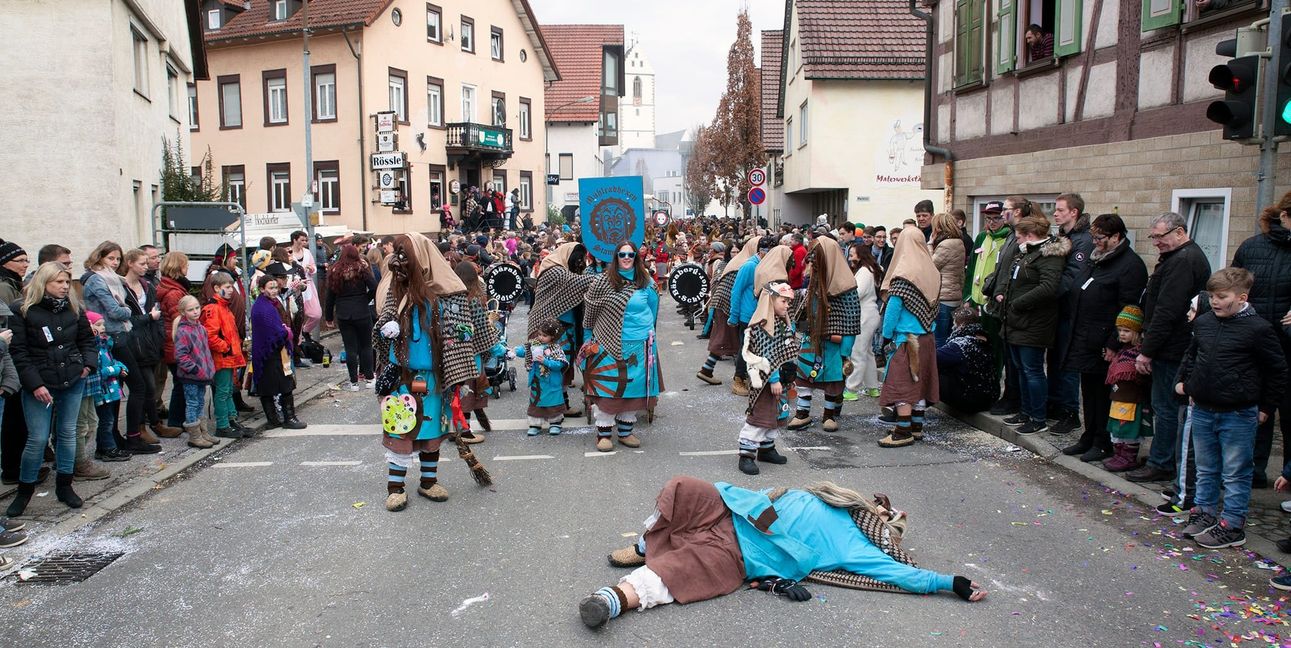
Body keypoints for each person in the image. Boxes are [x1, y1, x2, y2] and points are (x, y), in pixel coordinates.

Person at [576, 476, 987, 629]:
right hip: (732, 508)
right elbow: (768, 497)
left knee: (682, 570)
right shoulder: (826, 495)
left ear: (884, 527)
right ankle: (645, 545)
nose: (879, 508)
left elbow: (900, 574)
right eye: (881, 505)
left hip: (740, 552)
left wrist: (949, 582)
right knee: (682, 487)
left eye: (886, 515)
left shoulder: (857, 544)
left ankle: (611, 600)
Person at [372, 233, 499, 511]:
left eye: (407, 256)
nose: (401, 262)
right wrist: (387, 327)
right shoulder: (395, 290)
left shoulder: (448, 293)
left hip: (435, 378)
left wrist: (462, 346)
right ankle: (396, 488)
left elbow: (464, 331)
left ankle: (428, 482)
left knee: (431, 433)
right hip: (402, 378)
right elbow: (384, 320)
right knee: (400, 431)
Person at [1175, 268, 1287, 549]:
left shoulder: (1259, 329)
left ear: (1241, 297)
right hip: (1202, 408)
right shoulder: (1204, 323)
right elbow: (1191, 356)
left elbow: (1277, 370)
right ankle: (1204, 513)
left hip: (1238, 412)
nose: (1214, 301)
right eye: (1212, 296)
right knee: (1205, 467)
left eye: (1222, 296)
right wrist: (1185, 383)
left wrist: (1266, 407)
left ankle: (1233, 525)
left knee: (1236, 472)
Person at [1126, 213, 1213, 484]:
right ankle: (1163, 457)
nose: (1155, 242)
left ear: (1179, 232)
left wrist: (1147, 350)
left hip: (1173, 347)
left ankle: (1161, 462)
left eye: (1160, 236)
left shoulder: (1184, 261)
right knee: (1165, 407)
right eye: (1153, 236)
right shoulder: (1179, 257)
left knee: (1166, 407)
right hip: (1169, 344)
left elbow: (1167, 310)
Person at [6, 262, 98, 516]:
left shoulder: (74, 308)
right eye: (59, 282)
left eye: (67, 282)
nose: (65, 286)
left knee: (68, 434)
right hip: (40, 384)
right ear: (44, 282)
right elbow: (19, 353)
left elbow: (87, 341)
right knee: (36, 439)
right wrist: (34, 384)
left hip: (72, 379)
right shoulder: (22, 310)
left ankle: (65, 486)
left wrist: (87, 365)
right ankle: (24, 492)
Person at [1060, 214, 1148, 462]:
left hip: (1105, 340)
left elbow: (1128, 309)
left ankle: (1103, 441)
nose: (1095, 242)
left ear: (1116, 237)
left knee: (1103, 393)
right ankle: (1089, 435)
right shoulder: (1097, 259)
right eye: (1093, 237)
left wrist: (1113, 343)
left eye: (1100, 238)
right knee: (1088, 391)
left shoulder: (1130, 265)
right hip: (1085, 335)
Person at [1231, 197, 1291, 489]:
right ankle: (1251, 473)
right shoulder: (1253, 246)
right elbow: (1232, 285)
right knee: (1256, 412)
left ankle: (1289, 480)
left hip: (1289, 346)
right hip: (1253, 342)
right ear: (1284, 216)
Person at [582, 241, 663, 452]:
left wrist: (646, 334)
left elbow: (653, 313)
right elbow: (589, 316)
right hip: (608, 342)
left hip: (641, 345)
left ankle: (626, 432)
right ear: (616, 257)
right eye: (622, 254)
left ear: (637, 257)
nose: (626, 258)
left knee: (634, 390)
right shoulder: (602, 282)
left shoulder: (647, 283)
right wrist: (587, 339)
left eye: (631, 254)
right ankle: (604, 434)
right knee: (609, 390)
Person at [998, 216, 1069, 435]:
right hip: (1017, 321)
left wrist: (1018, 303)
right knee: (1021, 369)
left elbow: (1048, 287)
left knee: (1033, 370)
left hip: (1033, 323)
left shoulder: (1049, 256)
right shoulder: (1028, 252)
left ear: (1030, 235)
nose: (1016, 239)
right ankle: (1026, 411)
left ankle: (1038, 417)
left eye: (1019, 235)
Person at [787, 237, 860, 433]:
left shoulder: (846, 287)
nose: (813, 262)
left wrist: (846, 351)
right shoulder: (814, 280)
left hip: (833, 344)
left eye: (816, 258)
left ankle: (829, 415)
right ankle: (802, 413)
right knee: (803, 378)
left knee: (832, 380)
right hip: (811, 338)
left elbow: (851, 322)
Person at [877, 225, 941, 448]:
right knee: (920, 383)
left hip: (906, 340)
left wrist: (885, 337)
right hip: (928, 338)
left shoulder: (903, 275)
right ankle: (916, 425)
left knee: (902, 384)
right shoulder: (933, 271)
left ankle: (902, 430)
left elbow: (892, 311)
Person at [737, 280, 798, 475]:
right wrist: (773, 379)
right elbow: (766, 355)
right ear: (770, 300)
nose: (787, 306)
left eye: (788, 302)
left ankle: (766, 448)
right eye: (783, 301)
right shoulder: (762, 326)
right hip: (764, 381)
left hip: (779, 378)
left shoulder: (779, 322)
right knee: (760, 414)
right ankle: (746, 454)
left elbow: (784, 349)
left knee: (774, 413)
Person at [527, 242, 594, 415]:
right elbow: (579, 281)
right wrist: (606, 276)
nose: (579, 263)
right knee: (549, 368)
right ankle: (547, 408)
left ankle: (562, 406)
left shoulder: (563, 270)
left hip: (565, 328)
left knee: (562, 367)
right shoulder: (555, 270)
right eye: (577, 259)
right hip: (548, 329)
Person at [1047, 193, 1093, 435]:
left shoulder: (1083, 240)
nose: (1055, 213)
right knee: (1053, 360)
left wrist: (1047, 292)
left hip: (1071, 310)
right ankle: (1054, 404)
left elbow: (1073, 275)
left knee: (1067, 362)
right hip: (1058, 310)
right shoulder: (1063, 237)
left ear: (1073, 212)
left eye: (1060, 209)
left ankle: (1070, 412)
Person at [696, 237, 759, 386]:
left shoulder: (739, 261)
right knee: (727, 339)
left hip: (723, 303)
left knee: (726, 339)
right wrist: (735, 313)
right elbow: (735, 290)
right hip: (727, 305)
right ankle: (737, 376)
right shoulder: (745, 264)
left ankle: (708, 369)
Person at [250, 275, 305, 431]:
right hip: (269, 352)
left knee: (273, 385)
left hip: (271, 351)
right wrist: (286, 332)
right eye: (271, 288)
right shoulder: (263, 307)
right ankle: (287, 418)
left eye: (276, 287)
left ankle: (276, 419)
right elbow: (274, 331)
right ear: (262, 289)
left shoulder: (269, 303)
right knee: (283, 384)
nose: (274, 291)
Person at [1100, 306, 1152, 472]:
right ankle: (1119, 454)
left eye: (1127, 331)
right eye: (1120, 330)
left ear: (1136, 332)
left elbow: (1142, 377)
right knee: (1117, 428)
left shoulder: (1138, 353)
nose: (1122, 334)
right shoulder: (1122, 351)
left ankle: (1128, 457)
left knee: (1128, 429)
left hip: (1131, 399)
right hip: (1118, 396)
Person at [202, 272, 251, 440]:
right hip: (221, 358)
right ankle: (223, 424)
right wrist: (226, 348)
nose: (231, 290)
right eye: (227, 287)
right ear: (216, 288)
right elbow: (210, 335)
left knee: (228, 390)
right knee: (223, 391)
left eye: (231, 287)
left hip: (228, 357)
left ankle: (231, 420)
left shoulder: (223, 307)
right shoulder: (213, 309)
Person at [727, 236, 778, 396]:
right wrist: (734, 316)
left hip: (760, 314)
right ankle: (738, 379)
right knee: (746, 348)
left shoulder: (765, 266)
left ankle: (751, 378)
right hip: (747, 316)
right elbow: (736, 291)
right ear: (761, 252)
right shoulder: (749, 266)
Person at [325, 245, 378, 391]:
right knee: (366, 346)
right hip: (361, 311)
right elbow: (374, 287)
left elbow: (329, 297)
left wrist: (328, 317)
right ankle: (369, 378)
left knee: (350, 348)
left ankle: (353, 382)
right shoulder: (361, 268)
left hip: (343, 313)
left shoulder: (334, 271)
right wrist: (365, 299)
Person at [84, 311, 131, 466]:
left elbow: (111, 361)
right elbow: (99, 371)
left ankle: (102, 447)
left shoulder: (104, 345)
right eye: (98, 324)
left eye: (103, 324)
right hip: (101, 390)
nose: (102, 327)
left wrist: (120, 365)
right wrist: (116, 370)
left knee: (108, 419)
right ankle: (108, 448)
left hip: (110, 389)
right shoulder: (93, 348)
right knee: (107, 420)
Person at [171, 295, 218, 448]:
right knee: (192, 403)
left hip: (202, 374)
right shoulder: (183, 331)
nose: (195, 312)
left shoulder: (200, 328)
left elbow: (205, 351)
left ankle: (203, 432)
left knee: (200, 403)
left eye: (197, 308)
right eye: (191, 310)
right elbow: (181, 355)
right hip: (191, 376)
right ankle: (194, 435)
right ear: (183, 312)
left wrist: (208, 368)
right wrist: (196, 369)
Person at [936, 306, 998, 413]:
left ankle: (913, 411)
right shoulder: (984, 339)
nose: (952, 327)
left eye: (955, 323)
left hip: (969, 400)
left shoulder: (960, 345)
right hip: (989, 397)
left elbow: (933, 359)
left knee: (929, 374)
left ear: (962, 325)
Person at [156, 251, 193, 430]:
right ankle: (176, 421)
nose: (188, 268)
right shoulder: (174, 293)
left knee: (181, 383)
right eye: (185, 264)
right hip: (175, 344)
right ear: (178, 267)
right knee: (181, 384)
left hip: (173, 343)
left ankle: (178, 420)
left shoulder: (174, 288)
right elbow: (179, 320)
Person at [515, 319, 568, 436]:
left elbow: (560, 364)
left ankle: (555, 423)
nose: (541, 337)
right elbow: (523, 350)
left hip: (551, 381)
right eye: (539, 334)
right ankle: (535, 424)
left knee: (553, 401)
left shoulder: (556, 348)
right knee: (536, 400)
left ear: (553, 337)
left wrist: (546, 361)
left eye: (544, 335)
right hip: (537, 380)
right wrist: (516, 351)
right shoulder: (533, 344)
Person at [845, 244, 883, 400]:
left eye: (852, 255)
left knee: (858, 352)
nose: (850, 258)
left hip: (864, 316)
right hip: (870, 314)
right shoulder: (870, 270)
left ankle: (852, 389)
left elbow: (856, 294)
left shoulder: (864, 272)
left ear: (860, 256)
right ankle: (872, 387)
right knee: (867, 353)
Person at [929, 213, 966, 347]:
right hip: (954, 295)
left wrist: (929, 244)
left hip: (944, 297)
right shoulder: (959, 242)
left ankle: (939, 368)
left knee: (939, 339)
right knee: (950, 337)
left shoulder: (945, 245)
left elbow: (930, 266)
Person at [0, 239, 28, 305]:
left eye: (26, 260)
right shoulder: (3, 288)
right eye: (20, 261)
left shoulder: (15, 284)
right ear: (4, 263)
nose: (26, 265)